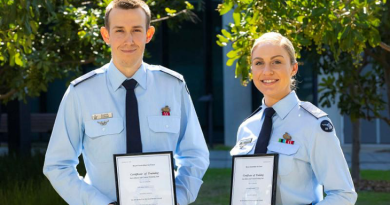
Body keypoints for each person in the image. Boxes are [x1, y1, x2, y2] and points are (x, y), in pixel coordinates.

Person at [43, 1, 209, 205]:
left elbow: (195, 153)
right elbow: (57, 165)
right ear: (106, 35)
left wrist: (179, 197)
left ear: (148, 34)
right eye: (119, 30)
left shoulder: (173, 86)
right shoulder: (81, 93)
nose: (128, 40)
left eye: (136, 30)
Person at [230, 32, 357, 205]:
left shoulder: (313, 124)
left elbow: (343, 194)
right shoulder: (247, 127)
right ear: (252, 69)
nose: (267, 71)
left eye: (277, 62)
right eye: (259, 63)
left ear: (293, 68)